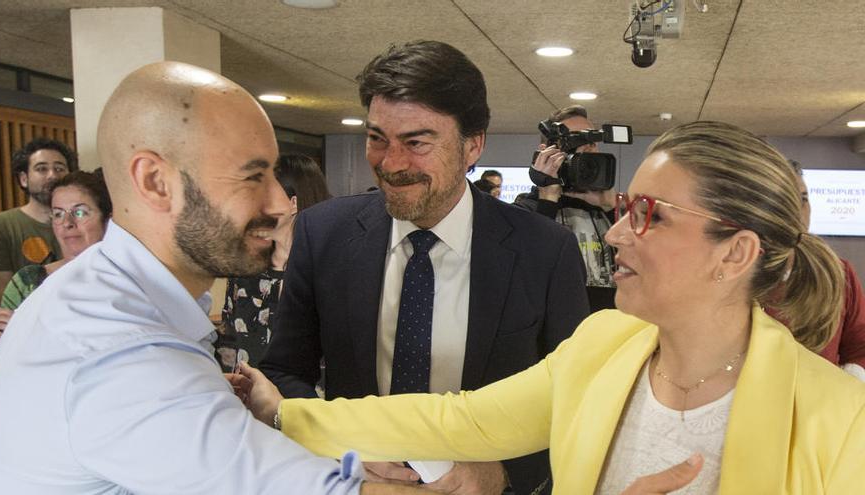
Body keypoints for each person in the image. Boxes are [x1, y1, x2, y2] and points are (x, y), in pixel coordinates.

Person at [242, 121, 865, 494]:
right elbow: (456, 423)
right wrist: (284, 413)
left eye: (649, 215)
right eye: (624, 207)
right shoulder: (605, 345)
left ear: (735, 252)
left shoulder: (838, 419)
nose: (617, 233)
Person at [0, 61, 428, 495]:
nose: (278, 204)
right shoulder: (124, 352)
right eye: (253, 176)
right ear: (156, 181)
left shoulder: (108, 293)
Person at [257, 40, 589, 494]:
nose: (390, 164)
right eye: (377, 139)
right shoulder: (324, 233)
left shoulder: (545, 251)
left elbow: (575, 401)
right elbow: (283, 372)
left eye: (416, 142)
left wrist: (502, 474)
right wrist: (342, 445)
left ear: (472, 146)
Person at [0, 170, 112, 372]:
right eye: (58, 214)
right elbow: (0, 363)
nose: (67, 223)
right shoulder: (29, 281)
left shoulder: (127, 277)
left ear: (107, 219)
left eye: (80, 212)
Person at [217, 154, 331, 371]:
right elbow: (228, 340)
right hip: (245, 397)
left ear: (293, 203)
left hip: (305, 399)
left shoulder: (326, 270)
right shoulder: (245, 268)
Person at [766, 160, 865, 379]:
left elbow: (860, 346)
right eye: (784, 200)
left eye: (803, 199)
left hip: (823, 405)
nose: (798, 212)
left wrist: (844, 387)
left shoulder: (837, 272)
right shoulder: (734, 271)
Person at [514, 105, 617, 311]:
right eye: (578, 139)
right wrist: (548, 200)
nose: (588, 147)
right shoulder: (525, 210)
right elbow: (527, 273)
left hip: (607, 331)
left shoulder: (605, 207)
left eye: (592, 141)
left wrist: (613, 208)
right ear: (548, 151)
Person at [0, 138, 77, 307]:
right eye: (41, 169)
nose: (52, 175)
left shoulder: (86, 224)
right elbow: (7, 305)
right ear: (24, 179)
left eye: (59, 168)